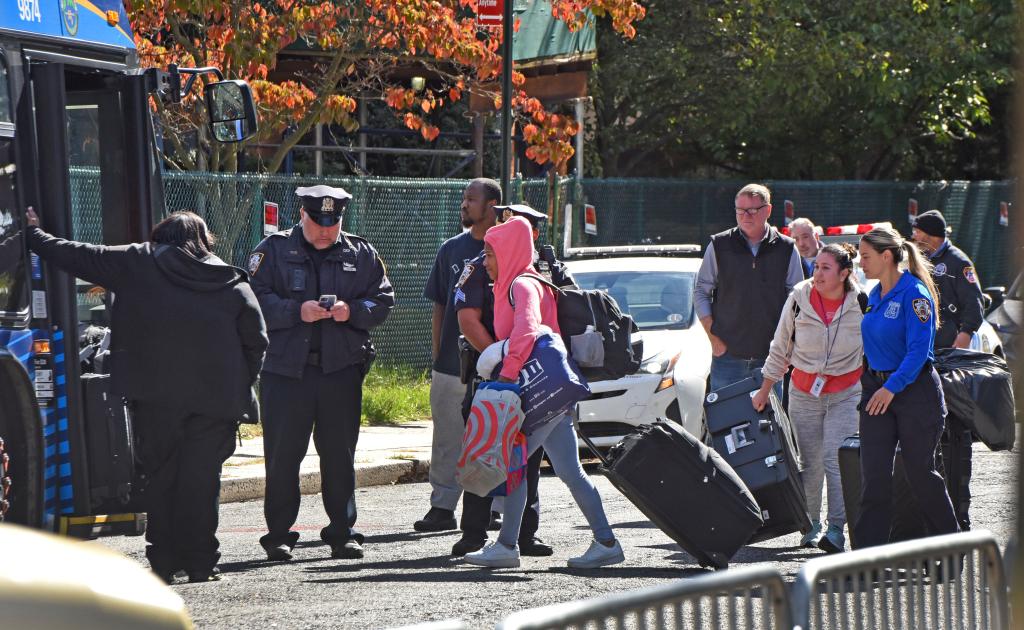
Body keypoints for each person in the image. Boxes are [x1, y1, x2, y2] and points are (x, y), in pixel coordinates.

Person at [25, 207, 268, 583]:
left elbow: (78, 254)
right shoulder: (230, 280)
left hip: (155, 398)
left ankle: (165, 564)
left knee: (162, 477)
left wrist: (35, 234)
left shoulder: (137, 263)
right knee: (202, 482)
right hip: (217, 402)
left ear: (160, 239)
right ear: (204, 241)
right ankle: (203, 563)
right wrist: (238, 384)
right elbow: (257, 341)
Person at [464, 217, 623, 569]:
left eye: (489, 254)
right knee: (568, 471)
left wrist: (506, 373)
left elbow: (528, 330)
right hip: (553, 394)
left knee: (514, 464)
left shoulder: (521, 285)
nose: (484, 262)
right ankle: (605, 541)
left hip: (537, 392)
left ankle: (507, 546)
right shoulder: (530, 281)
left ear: (507, 252)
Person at [249, 185, 394, 561]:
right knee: (283, 456)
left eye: (333, 222)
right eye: (318, 222)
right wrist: (296, 311)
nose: (326, 230)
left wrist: (352, 311)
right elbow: (253, 298)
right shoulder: (275, 251)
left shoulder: (360, 252)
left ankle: (342, 532)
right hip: (285, 372)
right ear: (302, 215)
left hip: (340, 371)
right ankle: (278, 535)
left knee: (339, 455)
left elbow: (382, 299)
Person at [451, 200, 573, 557]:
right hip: (493, 373)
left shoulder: (545, 269)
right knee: (483, 447)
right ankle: (474, 532)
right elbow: (468, 319)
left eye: (533, 230)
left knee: (527, 460)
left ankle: (523, 534)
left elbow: (566, 312)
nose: (532, 238)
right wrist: (500, 361)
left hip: (533, 376)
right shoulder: (481, 265)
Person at [853, 226, 960, 549]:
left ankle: (951, 550)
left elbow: (919, 352)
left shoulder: (915, 294)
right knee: (874, 478)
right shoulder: (875, 293)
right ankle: (866, 557)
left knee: (920, 476)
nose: (861, 262)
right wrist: (873, 384)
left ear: (887, 256)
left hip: (914, 394)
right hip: (877, 392)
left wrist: (891, 388)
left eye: (866, 256)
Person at [753, 243, 864, 553]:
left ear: (844, 274)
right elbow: (780, 346)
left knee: (835, 459)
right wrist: (765, 390)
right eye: (816, 267)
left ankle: (836, 529)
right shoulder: (799, 298)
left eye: (826, 268)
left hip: (846, 393)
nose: (817, 274)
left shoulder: (862, 302)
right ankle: (810, 524)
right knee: (809, 462)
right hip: (803, 393)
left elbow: (874, 348)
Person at [415, 178, 502, 534]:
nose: (464, 205)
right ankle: (442, 506)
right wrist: (438, 354)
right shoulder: (451, 249)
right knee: (448, 437)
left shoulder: (506, 247)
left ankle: (492, 506)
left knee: (492, 437)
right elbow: (440, 305)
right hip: (452, 365)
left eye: (471, 199)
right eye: (463, 199)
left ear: (492, 206)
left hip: (495, 364)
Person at [911, 208, 984, 531]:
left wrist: (962, 338)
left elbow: (974, 304)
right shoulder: (918, 260)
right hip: (927, 355)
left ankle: (959, 512)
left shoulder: (957, 262)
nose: (914, 237)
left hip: (948, 357)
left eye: (919, 233)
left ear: (931, 234)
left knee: (955, 435)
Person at [694, 183, 804, 391]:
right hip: (727, 358)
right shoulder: (719, 244)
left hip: (772, 358)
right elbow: (701, 291)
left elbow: (797, 300)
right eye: (740, 211)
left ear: (768, 210)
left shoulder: (787, 248)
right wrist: (713, 338)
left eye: (752, 210)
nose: (745, 216)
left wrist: (787, 346)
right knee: (726, 422)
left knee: (770, 422)